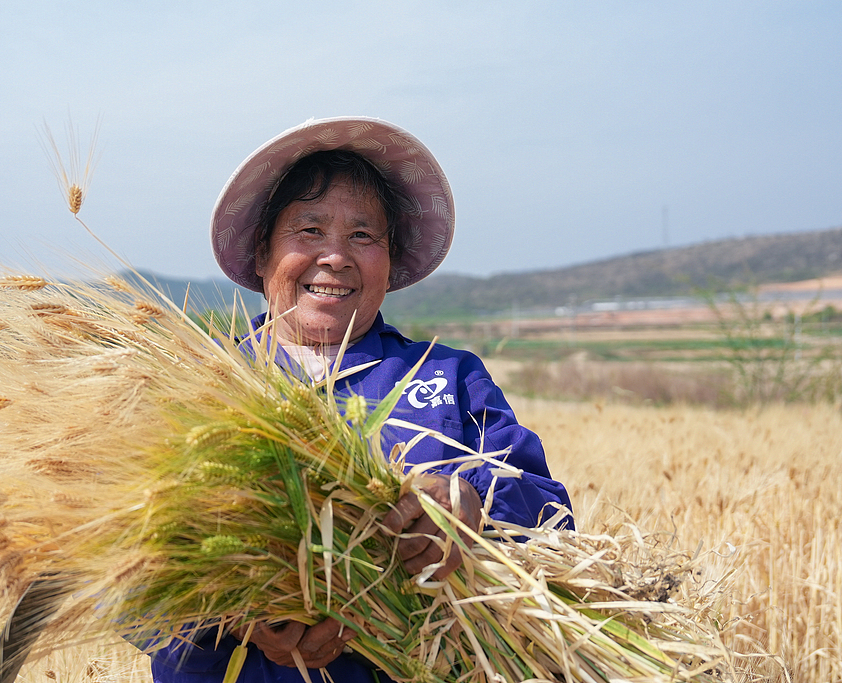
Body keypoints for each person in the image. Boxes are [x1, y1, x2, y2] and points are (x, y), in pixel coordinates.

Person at [147, 116, 573, 682]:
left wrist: (472, 507)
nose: (335, 257)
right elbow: (114, 567)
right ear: (261, 255)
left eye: (363, 235)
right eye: (308, 231)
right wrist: (234, 610)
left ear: (390, 262)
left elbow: (552, 516)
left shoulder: (446, 375)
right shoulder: (196, 381)